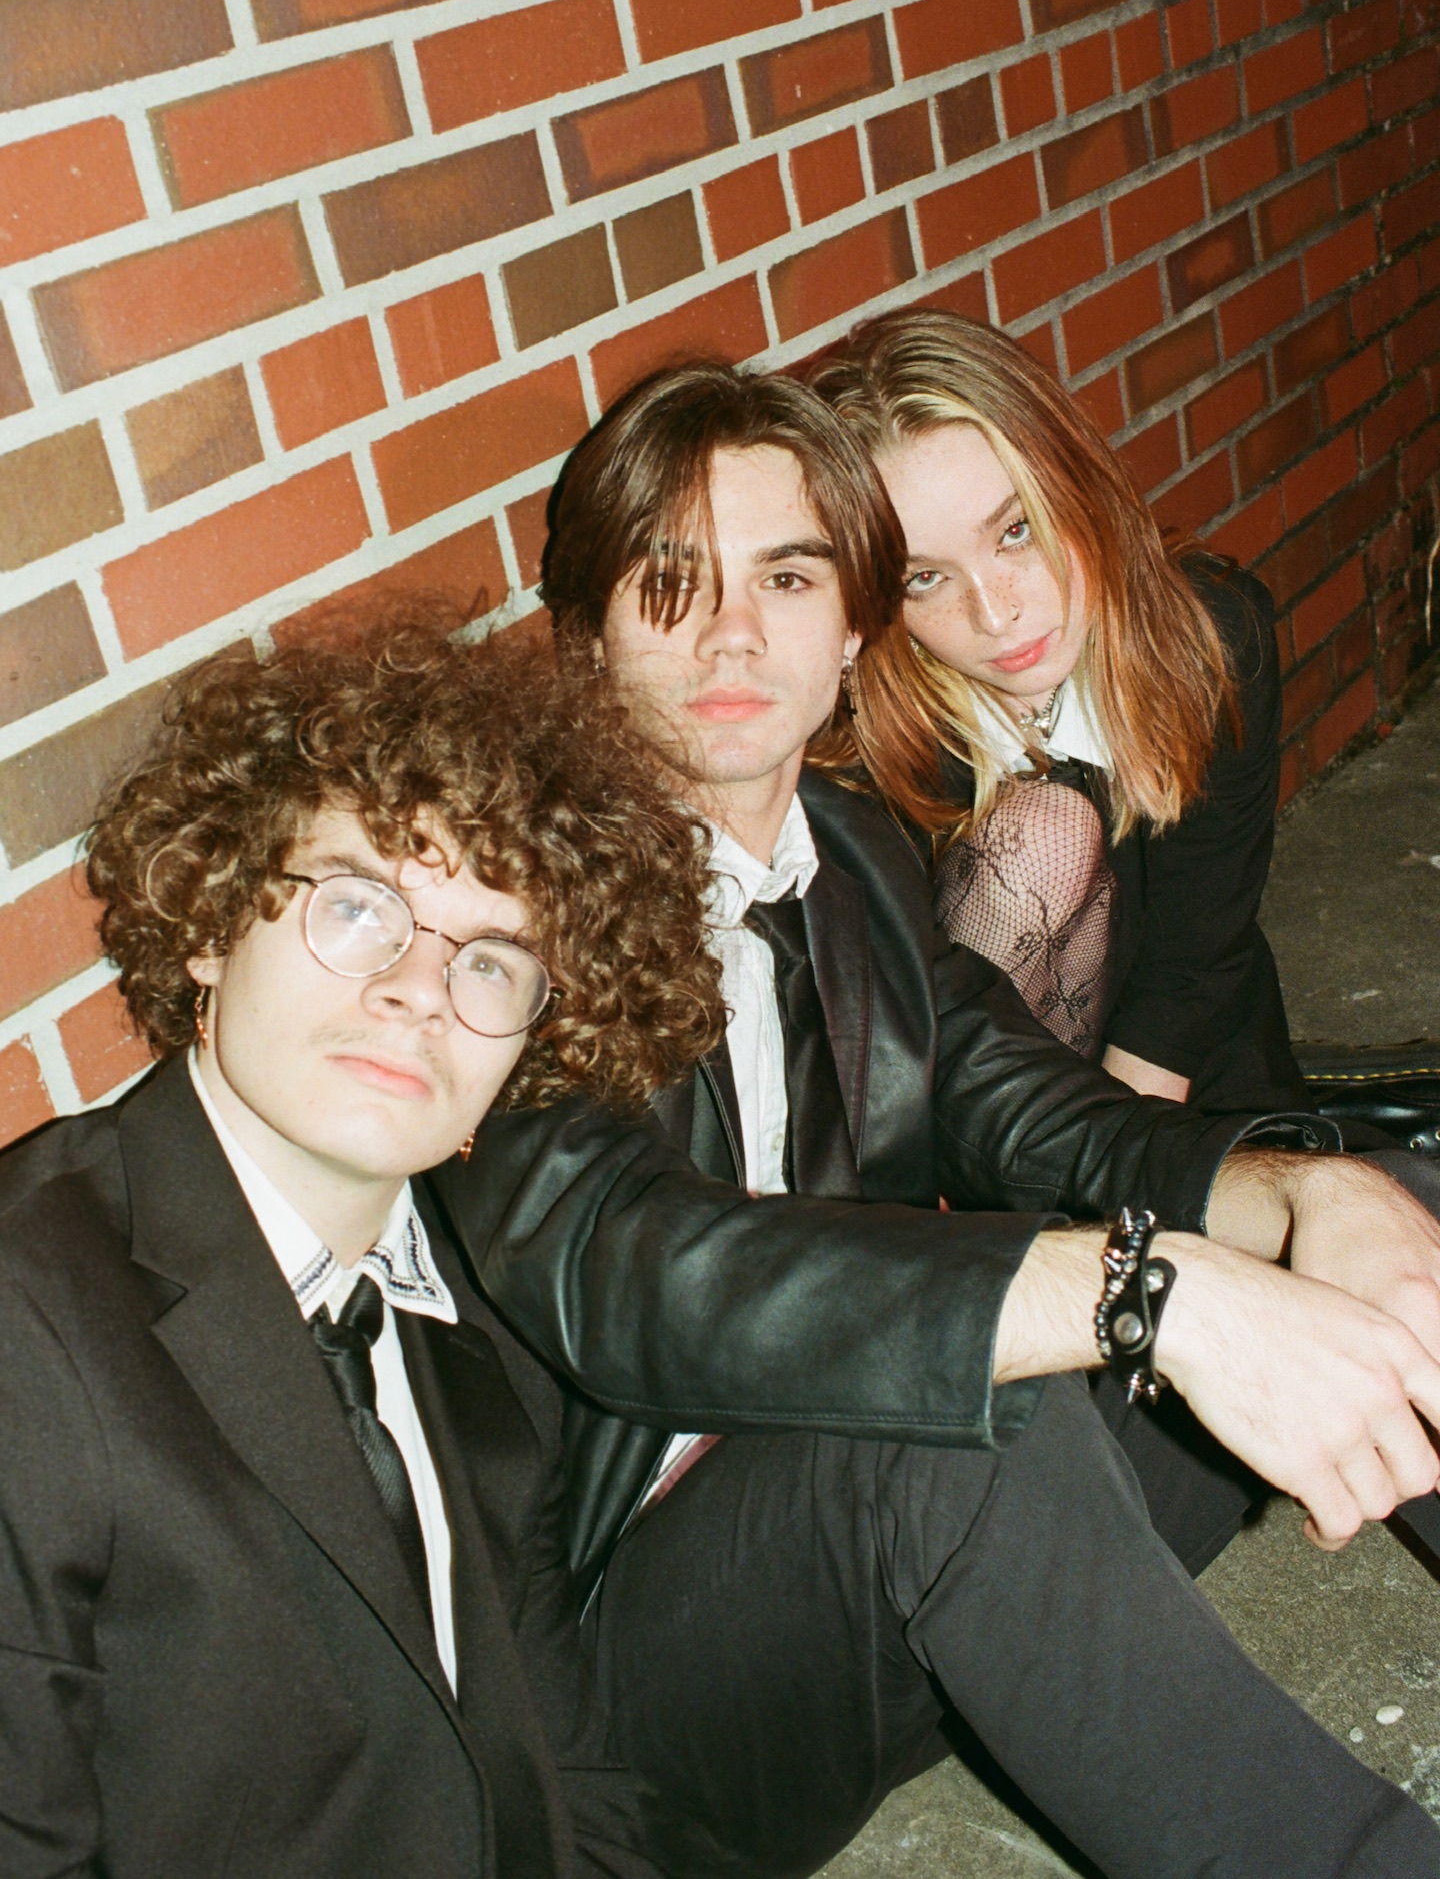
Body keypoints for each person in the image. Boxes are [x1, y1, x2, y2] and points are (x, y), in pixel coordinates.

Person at [431, 360, 1440, 1879]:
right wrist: (1141, 1290)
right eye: (670, 584)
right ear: (587, 640)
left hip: (922, 1594)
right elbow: (638, 1271)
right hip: (643, 1698)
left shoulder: (844, 854)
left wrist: (1302, 1196)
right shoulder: (497, 926)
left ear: (853, 625)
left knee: (1399, 1204)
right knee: (945, 1419)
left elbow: (1044, 1115)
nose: (731, 634)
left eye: (786, 577)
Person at [0, 615, 727, 1879]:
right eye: (358, 906)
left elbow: (565, 1779)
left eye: (493, 961)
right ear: (213, 921)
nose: (419, 989)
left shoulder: (486, 1319)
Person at [807, 305, 1300, 1110]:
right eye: (923, 578)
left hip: (1183, 1072)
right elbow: (891, 1059)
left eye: (1016, 532)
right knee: (1042, 835)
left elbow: (1196, 959)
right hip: (964, 1126)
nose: (996, 614)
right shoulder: (862, 746)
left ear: (1077, 484)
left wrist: (1145, 1168)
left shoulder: (1207, 639)